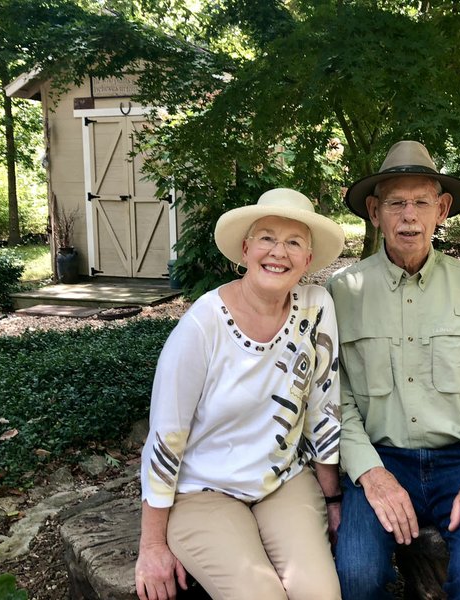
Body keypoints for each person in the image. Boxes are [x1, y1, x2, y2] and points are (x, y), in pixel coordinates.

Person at [326, 141, 460, 600]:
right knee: (354, 578)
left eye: (421, 202)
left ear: (441, 210)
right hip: (379, 459)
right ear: (375, 212)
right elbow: (333, 400)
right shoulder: (342, 293)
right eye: (396, 203)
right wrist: (370, 474)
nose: (409, 216)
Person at [135, 188, 346, 600]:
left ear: (307, 259)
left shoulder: (317, 305)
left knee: (320, 594)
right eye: (267, 237)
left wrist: (332, 496)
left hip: (283, 480)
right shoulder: (202, 325)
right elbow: (166, 435)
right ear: (246, 249)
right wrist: (152, 545)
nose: (278, 252)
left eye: (293, 242)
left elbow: (324, 403)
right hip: (203, 490)